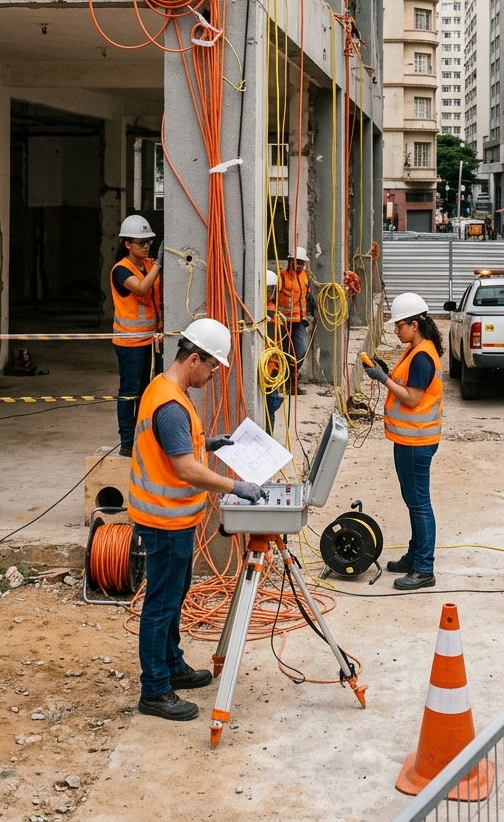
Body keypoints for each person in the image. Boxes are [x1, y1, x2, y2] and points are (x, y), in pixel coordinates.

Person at [127, 317, 261, 721]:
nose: (213, 374)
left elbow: (179, 453)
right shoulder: (170, 405)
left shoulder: (166, 390)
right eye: (212, 366)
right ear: (193, 360)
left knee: (172, 599)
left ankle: (172, 666)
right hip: (164, 521)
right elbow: (184, 470)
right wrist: (235, 487)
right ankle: (155, 690)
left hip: (172, 520)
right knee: (161, 605)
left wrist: (206, 442)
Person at [364, 292, 443, 591]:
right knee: (414, 501)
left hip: (417, 442)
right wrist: (386, 374)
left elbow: (412, 398)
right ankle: (415, 556)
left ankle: (424, 568)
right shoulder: (416, 349)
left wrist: (383, 380)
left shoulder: (422, 356)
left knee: (420, 503)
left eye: (399, 325)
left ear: (414, 324)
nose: (396, 330)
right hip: (409, 440)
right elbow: (406, 384)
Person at [111, 215, 164, 457]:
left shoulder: (149, 264)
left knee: (145, 391)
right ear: (127, 244)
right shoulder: (121, 270)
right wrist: (159, 266)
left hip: (149, 340)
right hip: (129, 342)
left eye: (149, 242)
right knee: (129, 392)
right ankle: (126, 442)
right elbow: (142, 288)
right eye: (140, 242)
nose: (145, 246)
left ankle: (140, 438)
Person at [278, 246, 313, 395]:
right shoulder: (282, 277)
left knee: (301, 352)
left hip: (299, 323)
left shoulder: (304, 277)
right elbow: (273, 297)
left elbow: (306, 297)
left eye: (301, 263)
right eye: (297, 262)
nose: (299, 266)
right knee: (284, 353)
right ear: (290, 261)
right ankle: (286, 384)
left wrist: (309, 314)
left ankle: (292, 383)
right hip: (284, 323)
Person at [263, 269, 287, 434]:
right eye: (268, 289)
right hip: (265, 365)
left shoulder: (273, 311)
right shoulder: (261, 311)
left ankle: (269, 435)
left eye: (272, 289)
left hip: (272, 366)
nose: (270, 293)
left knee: (271, 405)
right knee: (268, 403)